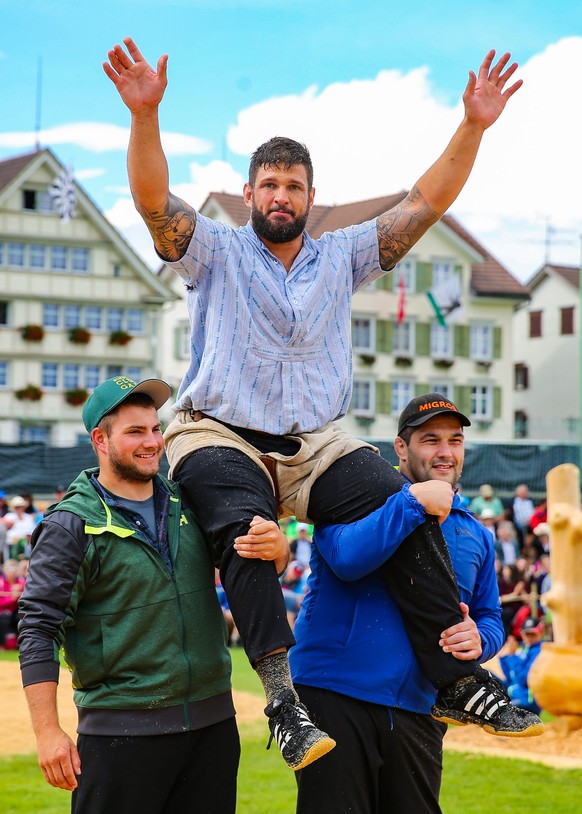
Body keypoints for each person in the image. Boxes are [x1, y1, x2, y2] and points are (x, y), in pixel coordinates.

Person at [104, 37, 524, 770]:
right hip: (219, 431)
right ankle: (282, 701)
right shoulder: (215, 250)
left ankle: (451, 677)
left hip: (317, 440)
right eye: (268, 184)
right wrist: (145, 117)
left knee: (399, 496)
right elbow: (151, 201)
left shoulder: (345, 253)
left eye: (294, 186)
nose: (280, 196)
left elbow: (426, 202)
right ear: (249, 193)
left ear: (309, 197)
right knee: (247, 527)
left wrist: (474, 127)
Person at [18, 376, 278, 814]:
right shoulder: (70, 525)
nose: (152, 442)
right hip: (121, 734)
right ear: (100, 440)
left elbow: (249, 565)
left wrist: (277, 548)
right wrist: (47, 732)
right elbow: (39, 628)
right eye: (135, 432)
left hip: (214, 728)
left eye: (155, 429)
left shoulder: (190, 501)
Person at [287, 394, 543, 814]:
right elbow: (348, 560)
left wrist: (479, 638)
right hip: (334, 693)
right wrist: (412, 504)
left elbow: (490, 617)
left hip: (421, 706)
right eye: (430, 440)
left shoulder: (476, 533)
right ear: (401, 448)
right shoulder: (353, 499)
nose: (445, 452)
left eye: (455, 440)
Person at [498, 617, 545, 714]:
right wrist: (504, 658)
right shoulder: (524, 649)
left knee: (501, 711)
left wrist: (512, 656)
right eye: (526, 634)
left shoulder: (540, 651)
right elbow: (510, 678)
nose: (529, 637)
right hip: (516, 696)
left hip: (528, 702)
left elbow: (524, 680)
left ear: (540, 632)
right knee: (488, 677)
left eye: (533, 634)